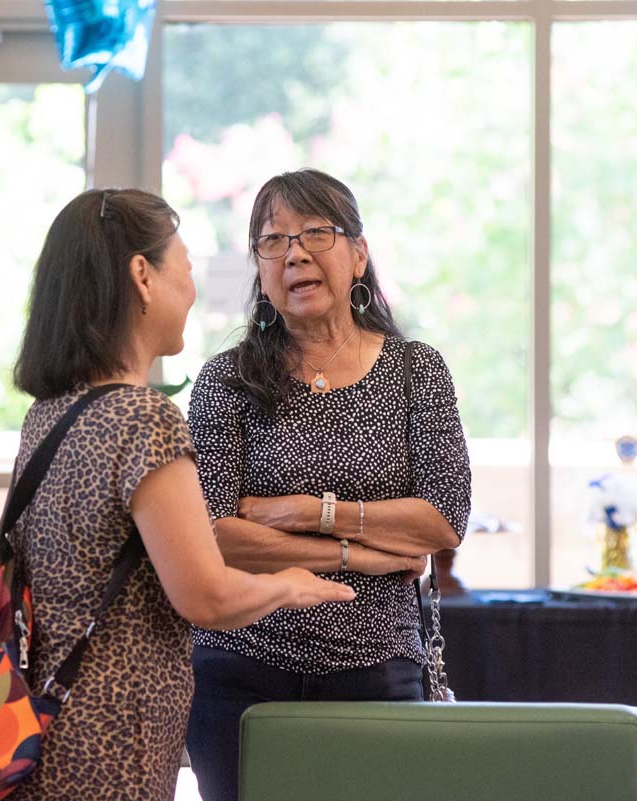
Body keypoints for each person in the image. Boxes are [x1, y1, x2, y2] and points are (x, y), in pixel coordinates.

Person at [7, 188, 355, 801]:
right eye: (186, 268)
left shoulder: (50, 413)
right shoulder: (143, 417)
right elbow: (206, 594)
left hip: (36, 728)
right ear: (143, 276)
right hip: (110, 743)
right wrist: (293, 584)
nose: (192, 290)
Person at [185, 169, 472, 801]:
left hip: (379, 669)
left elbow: (442, 519)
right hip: (241, 668)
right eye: (273, 240)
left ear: (359, 255)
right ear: (258, 268)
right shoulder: (224, 381)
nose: (294, 254)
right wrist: (357, 555)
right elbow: (212, 536)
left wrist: (312, 511)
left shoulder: (414, 371)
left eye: (316, 233)